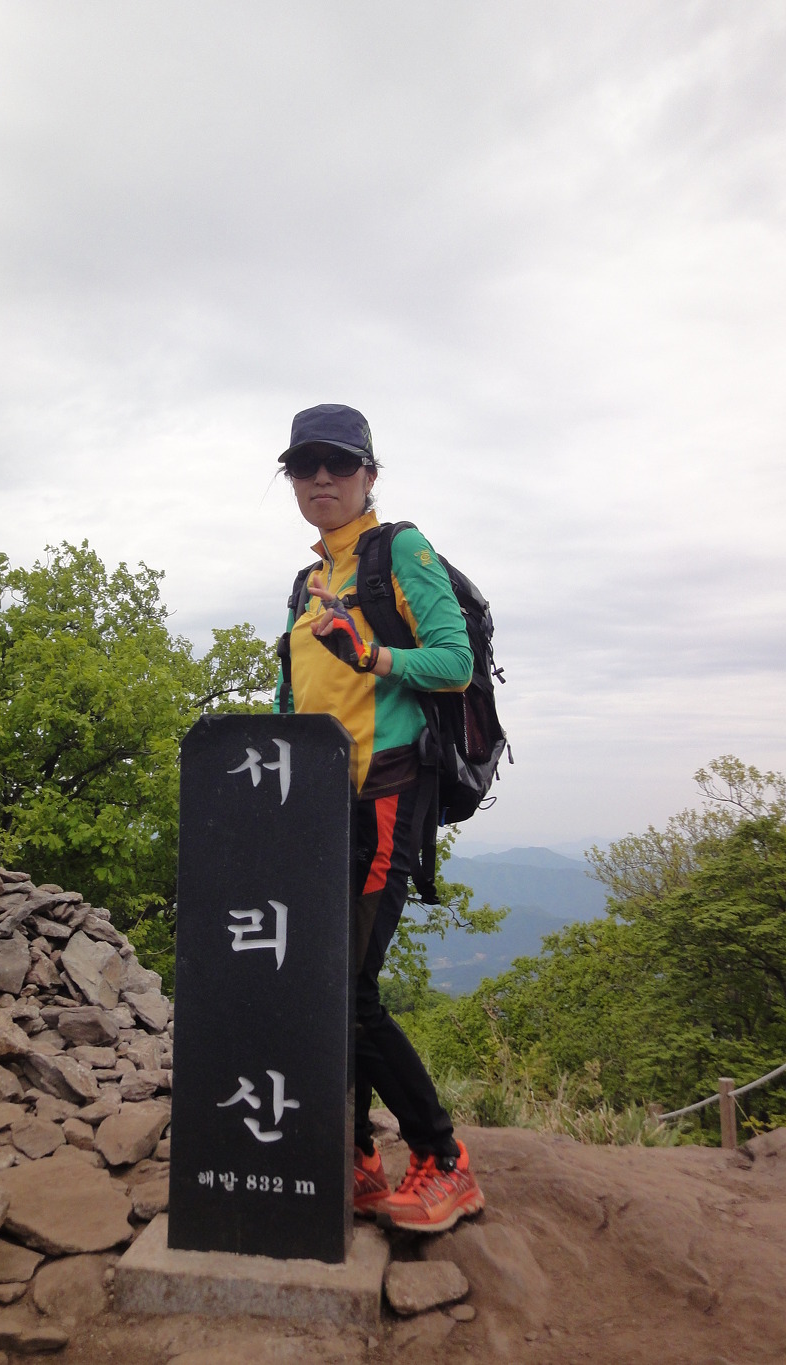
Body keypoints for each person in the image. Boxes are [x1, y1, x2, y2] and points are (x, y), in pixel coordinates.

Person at [274, 402, 486, 1233]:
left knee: (349, 989)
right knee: (319, 983)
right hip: (318, 806)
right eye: (305, 465)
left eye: (338, 462)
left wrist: (372, 653)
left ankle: (443, 1158)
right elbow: (295, 697)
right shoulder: (308, 584)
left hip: (388, 791)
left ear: (369, 473)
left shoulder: (400, 549)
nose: (321, 477)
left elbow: (454, 660)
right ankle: (356, 1156)